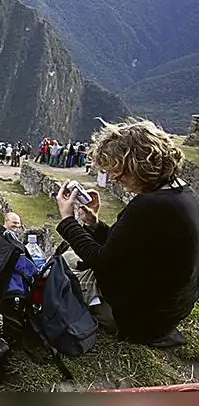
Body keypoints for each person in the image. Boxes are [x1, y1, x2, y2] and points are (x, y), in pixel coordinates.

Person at [55, 119, 199, 348]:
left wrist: (67, 220)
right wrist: (94, 224)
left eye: (118, 170)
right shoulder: (181, 194)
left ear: (138, 164)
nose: (114, 178)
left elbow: (103, 261)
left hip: (136, 321)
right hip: (165, 315)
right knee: (72, 255)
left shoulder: (147, 207)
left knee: (62, 263)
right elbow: (124, 248)